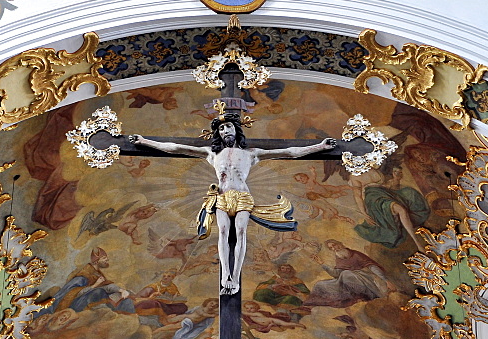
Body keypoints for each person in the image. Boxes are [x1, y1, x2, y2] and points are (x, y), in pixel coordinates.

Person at [130, 111, 336, 294]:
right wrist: (145, 142)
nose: (225, 131)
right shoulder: (212, 154)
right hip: (221, 197)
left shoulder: (251, 154)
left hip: (243, 197)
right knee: (221, 232)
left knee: (240, 232)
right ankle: (224, 275)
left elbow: (290, 152)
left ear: (237, 130)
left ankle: (235, 278)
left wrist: (320, 146)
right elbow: (175, 148)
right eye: (221, 129)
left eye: (228, 126)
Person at [352, 164, 430, 250]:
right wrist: (364, 214)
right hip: (374, 198)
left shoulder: (373, 167)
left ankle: (416, 228)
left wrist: (394, 180)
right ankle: (418, 243)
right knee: (401, 210)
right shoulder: (354, 176)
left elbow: (386, 184)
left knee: (410, 193)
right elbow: (357, 197)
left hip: (387, 193)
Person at [303, 240, 392, 308]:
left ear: (340, 243)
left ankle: (360, 297)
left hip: (365, 279)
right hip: (345, 280)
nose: (334, 248)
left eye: (334, 245)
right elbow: (336, 274)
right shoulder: (339, 259)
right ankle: (311, 304)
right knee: (320, 284)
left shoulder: (356, 255)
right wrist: (322, 263)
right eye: (331, 248)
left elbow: (372, 267)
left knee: (346, 274)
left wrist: (386, 280)